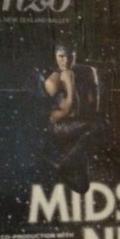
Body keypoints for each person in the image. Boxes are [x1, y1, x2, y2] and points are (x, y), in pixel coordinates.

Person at [43, 42, 101, 194]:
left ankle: (62, 165)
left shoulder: (88, 71)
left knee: (83, 187)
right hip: (60, 127)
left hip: (81, 125)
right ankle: (61, 165)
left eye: (70, 56)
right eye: (61, 56)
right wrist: (70, 83)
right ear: (55, 56)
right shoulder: (53, 81)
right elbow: (68, 111)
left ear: (76, 55)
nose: (66, 61)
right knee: (96, 127)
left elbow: (93, 106)